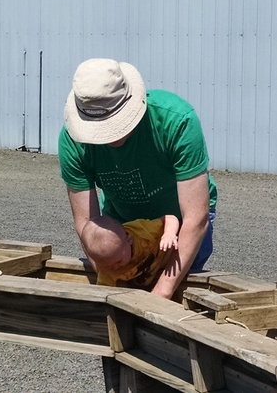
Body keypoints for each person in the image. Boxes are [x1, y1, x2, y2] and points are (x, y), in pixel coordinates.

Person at [58, 58, 218, 300]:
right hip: (121, 224)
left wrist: (159, 296)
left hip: (179, 224)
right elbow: (86, 223)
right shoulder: (72, 142)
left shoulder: (177, 120)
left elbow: (195, 218)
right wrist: (113, 275)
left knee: (179, 295)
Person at [90, 214, 180, 289]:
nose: (115, 267)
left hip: (168, 261)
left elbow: (169, 218)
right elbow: (104, 291)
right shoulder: (107, 268)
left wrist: (169, 233)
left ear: (129, 240)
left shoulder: (141, 232)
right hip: (143, 280)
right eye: (108, 265)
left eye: (118, 261)